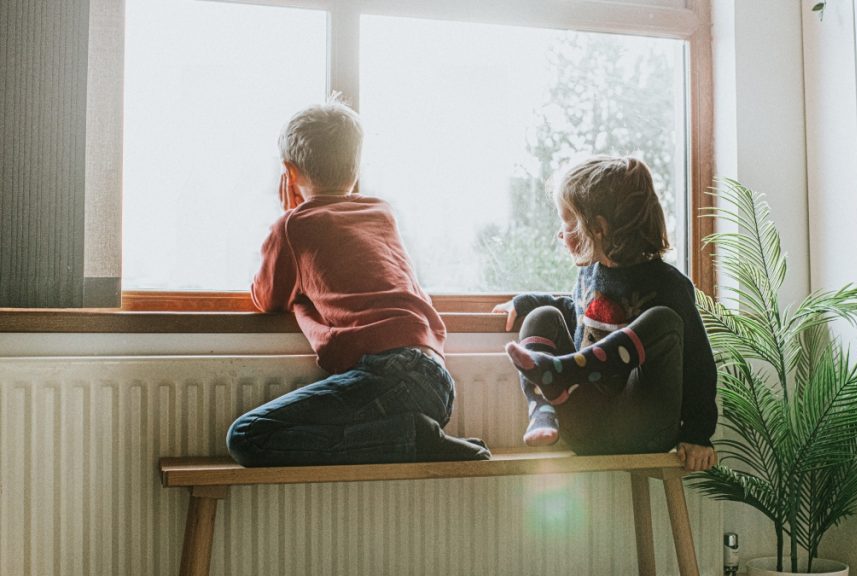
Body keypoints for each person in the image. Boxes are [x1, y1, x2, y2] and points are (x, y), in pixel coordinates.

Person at [227, 96, 490, 466]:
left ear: (289, 172)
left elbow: (267, 298)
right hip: (436, 379)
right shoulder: (381, 212)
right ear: (355, 167)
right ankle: (409, 434)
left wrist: (291, 218)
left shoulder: (294, 225)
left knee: (247, 436)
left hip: (391, 375)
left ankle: (410, 438)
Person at [493, 155, 717, 471]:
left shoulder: (668, 285)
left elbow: (698, 364)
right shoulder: (589, 275)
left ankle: (565, 372)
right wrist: (525, 302)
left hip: (642, 428)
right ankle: (543, 408)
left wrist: (697, 433)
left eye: (567, 221)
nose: (560, 233)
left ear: (598, 228)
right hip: (582, 425)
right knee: (541, 316)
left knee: (664, 321)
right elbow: (578, 313)